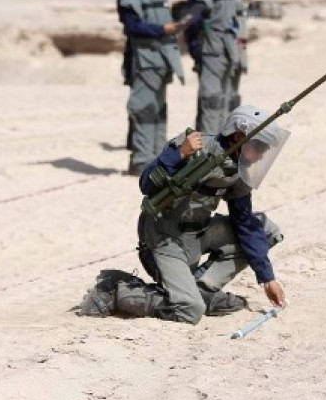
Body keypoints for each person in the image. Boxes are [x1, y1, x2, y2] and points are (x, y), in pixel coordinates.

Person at [78, 105, 289, 324]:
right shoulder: (193, 147)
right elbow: (146, 183)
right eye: (259, 147)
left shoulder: (239, 169)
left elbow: (244, 221)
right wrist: (178, 155)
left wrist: (267, 277)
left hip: (198, 233)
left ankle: (202, 290)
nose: (262, 154)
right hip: (164, 238)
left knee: (266, 231)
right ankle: (116, 291)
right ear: (239, 136)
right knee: (189, 310)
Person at [118, 0, 187, 176]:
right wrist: (161, 30)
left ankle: (158, 156)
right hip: (144, 60)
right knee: (144, 109)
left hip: (161, 60)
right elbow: (133, 27)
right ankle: (141, 159)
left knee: (158, 109)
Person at [182, 0, 242, 134]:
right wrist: (196, 47)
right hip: (211, 50)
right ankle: (207, 149)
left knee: (225, 101)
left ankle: (221, 146)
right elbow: (196, 15)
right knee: (211, 101)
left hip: (226, 49)